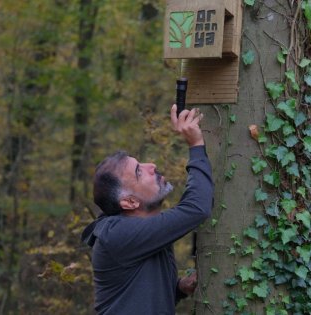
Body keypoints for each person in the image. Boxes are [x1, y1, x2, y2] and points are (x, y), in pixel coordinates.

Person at [81, 105, 213, 314]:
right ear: (130, 202)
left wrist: (178, 287)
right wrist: (196, 145)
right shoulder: (117, 235)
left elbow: (137, 295)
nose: (151, 165)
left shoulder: (142, 231)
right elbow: (197, 209)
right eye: (139, 172)